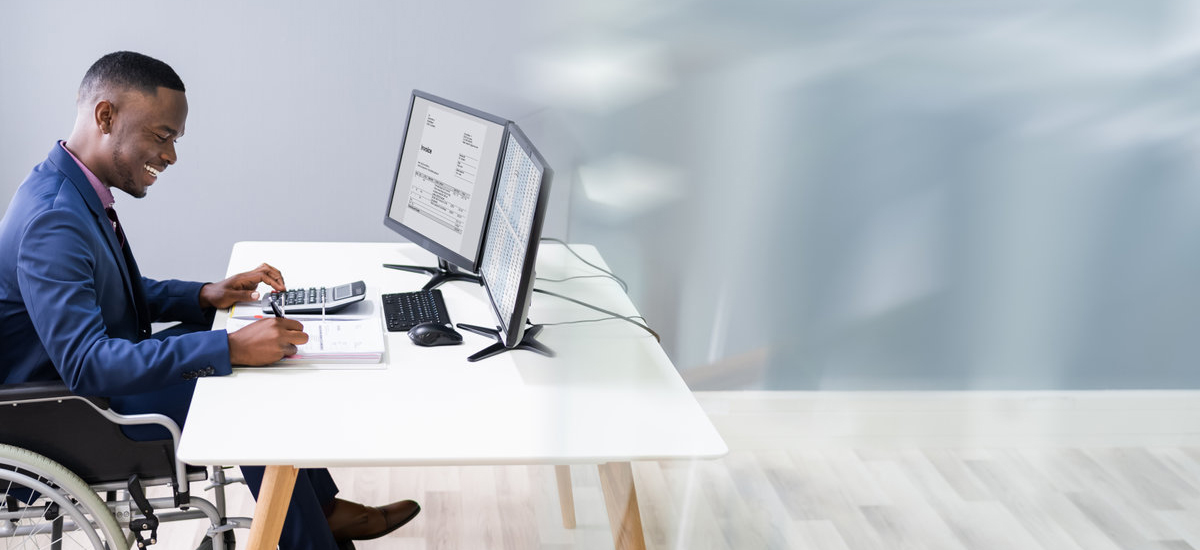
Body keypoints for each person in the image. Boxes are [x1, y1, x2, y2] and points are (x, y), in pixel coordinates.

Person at [0, 51, 418, 549]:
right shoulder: (54, 218)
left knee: (239, 343)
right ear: (105, 116)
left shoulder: (69, 188)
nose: (171, 156)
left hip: (97, 385)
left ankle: (317, 514)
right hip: (77, 411)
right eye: (162, 136)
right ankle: (311, 533)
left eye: (175, 139)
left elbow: (107, 295)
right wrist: (231, 350)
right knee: (243, 378)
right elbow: (87, 363)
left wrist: (203, 295)